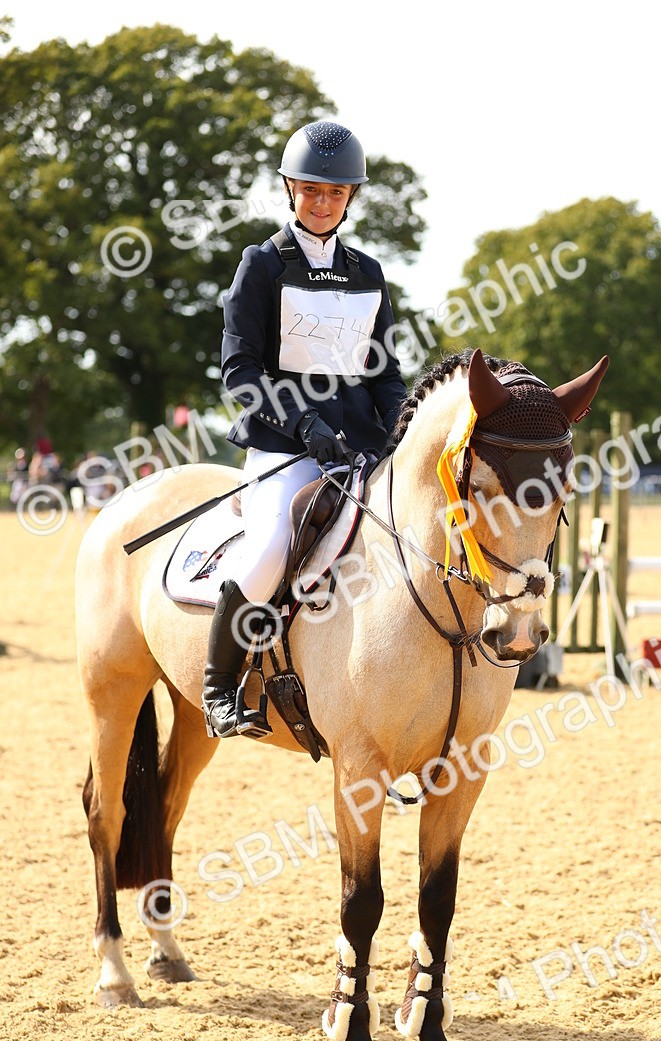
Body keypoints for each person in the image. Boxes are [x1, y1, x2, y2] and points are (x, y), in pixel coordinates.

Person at [202, 120, 407, 738]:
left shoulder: (368, 272)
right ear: (291, 188)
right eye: (311, 190)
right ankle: (219, 688)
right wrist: (302, 422)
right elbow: (240, 370)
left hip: (359, 451)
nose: (322, 203)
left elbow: (384, 372)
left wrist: (401, 429)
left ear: (351, 198)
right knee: (271, 547)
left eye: (335, 193)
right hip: (284, 449)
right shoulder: (262, 265)